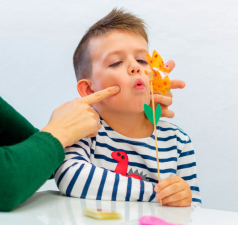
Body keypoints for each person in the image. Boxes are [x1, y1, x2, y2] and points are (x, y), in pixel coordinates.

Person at [54, 8, 201, 207]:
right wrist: (157, 194)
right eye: (116, 62)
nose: (136, 67)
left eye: (142, 60)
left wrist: (185, 199)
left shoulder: (178, 142)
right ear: (89, 89)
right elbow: (69, 176)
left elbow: (195, 211)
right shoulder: (83, 130)